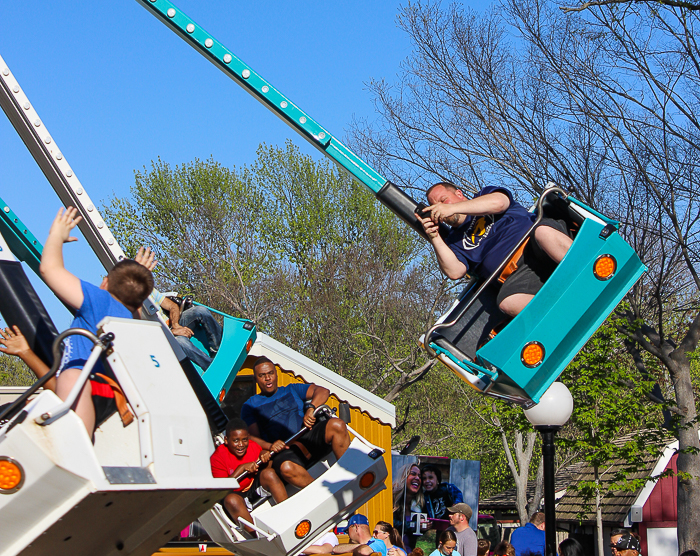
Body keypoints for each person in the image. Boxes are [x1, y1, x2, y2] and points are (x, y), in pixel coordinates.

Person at [39, 207, 154, 436]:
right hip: (111, 394)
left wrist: (56, 236)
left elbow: (49, 269)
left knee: (73, 441)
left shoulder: (99, 301)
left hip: (81, 383)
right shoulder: (132, 319)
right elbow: (134, 299)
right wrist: (137, 276)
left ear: (107, 283)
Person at [417, 182, 573, 317]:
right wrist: (434, 237)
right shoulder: (453, 242)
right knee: (508, 303)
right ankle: (566, 309)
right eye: (435, 206)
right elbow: (454, 272)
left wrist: (454, 208)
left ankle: (581, 267)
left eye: (443, 200)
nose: (440, 207)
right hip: (516, 275)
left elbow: (500, 203)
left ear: (459, 193)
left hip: (535, 242)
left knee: (543, 232)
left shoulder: (484, 195)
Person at [241, 356, 350, 488]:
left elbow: (323, 391)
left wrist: (311, 408)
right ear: (255, 379)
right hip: (284, 450)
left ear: (276, 374)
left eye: (270, 373)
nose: (267, 378)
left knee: (337, 424)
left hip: (307, 436)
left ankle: (349, 479)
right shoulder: (250, 405)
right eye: (262, 375)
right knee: (287, 467)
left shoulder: (291, 389)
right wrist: (270, 446)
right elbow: (254, 437)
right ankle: (322, 493)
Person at [210, 418, 287, 533]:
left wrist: (263, 456)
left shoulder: (252, 445)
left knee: (269, 474)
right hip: (237, 497)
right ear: (226, 440)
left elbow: (266, 465)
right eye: (235, 441)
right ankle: (257, 535)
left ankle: (288, 515)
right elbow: (223, 489)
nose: (241, 445)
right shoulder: (217, 458)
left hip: (253, 488)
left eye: (244, 440)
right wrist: (241, 469)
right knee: (231, 500)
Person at [152, 293, 222, 371]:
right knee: (180, 342)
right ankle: (212, 367)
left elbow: (172, 306)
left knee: (201, 311)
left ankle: (218, 349)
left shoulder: (147, 291)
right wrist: (171, 332)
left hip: (173, 324)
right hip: (163, 336)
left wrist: (176, 325)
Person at [393, 463, 425, 549]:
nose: (417, 478)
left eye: (419, 476)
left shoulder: (418, 504)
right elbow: (392, 523)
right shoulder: (392, 499)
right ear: (403, 476)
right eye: (413, 474)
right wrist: (415, 525)